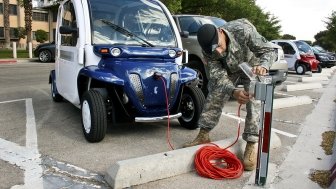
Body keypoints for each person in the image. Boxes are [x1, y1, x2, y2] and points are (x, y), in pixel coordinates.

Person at [182, 18, 278, 171]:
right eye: (214, 50)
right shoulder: (208, 51)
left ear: (220, 32)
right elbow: (218, 77)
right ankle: (203, 134)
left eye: (219, 46)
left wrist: (263, 65)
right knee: (215, 92)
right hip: (229, 68)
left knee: (254, 98)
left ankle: (251, 144)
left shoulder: (243, 31)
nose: (218, 52)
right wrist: (234, 91)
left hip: (252, 65)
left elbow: (270, 50)